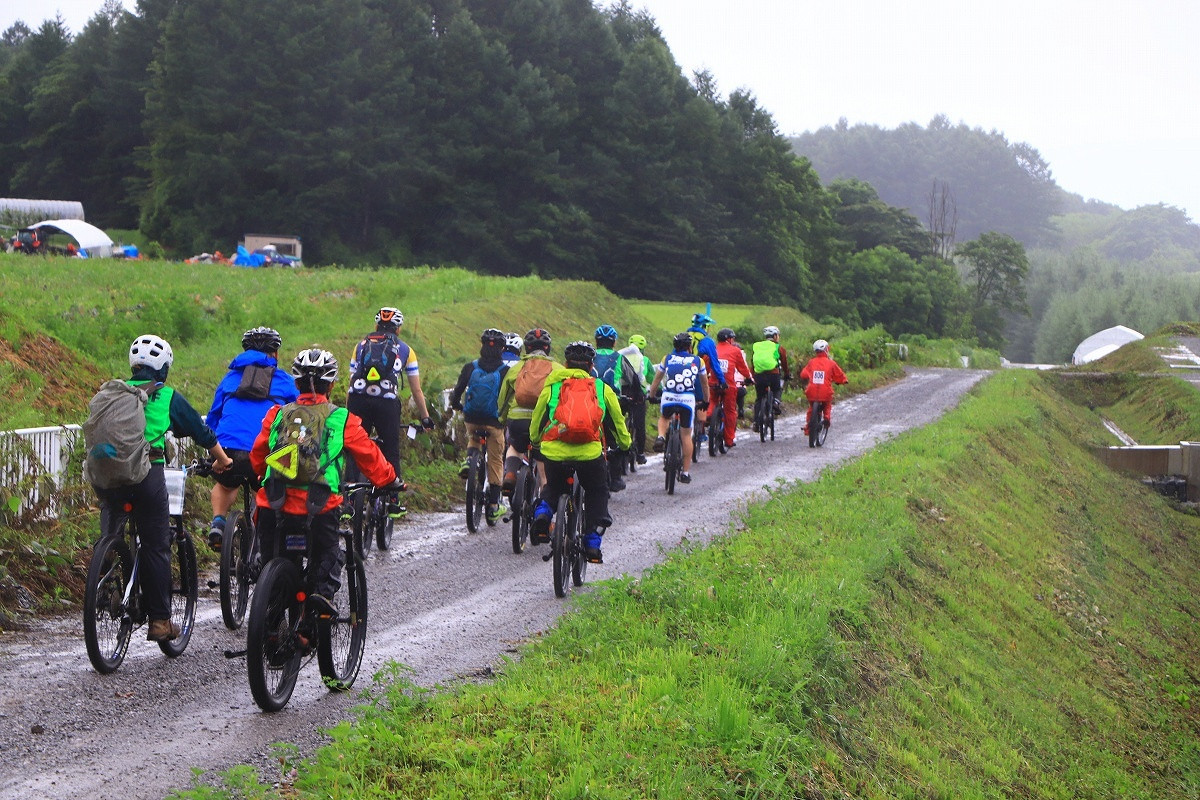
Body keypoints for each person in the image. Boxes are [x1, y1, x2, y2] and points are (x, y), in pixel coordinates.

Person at [95, 335, 233, 641]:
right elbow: (200, 432)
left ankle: (103, 575)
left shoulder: (114, 392)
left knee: (111, 530)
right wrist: (222, 460)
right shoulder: (166, 395)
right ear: (163, 368)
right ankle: (159, 621)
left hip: (109, 478)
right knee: (156, 544)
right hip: (147, 476)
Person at [251, 349, 401, 616]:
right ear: (331, 385)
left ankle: (270, 621)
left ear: (296, 383)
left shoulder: (276, 414)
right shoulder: (341, 418)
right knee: (327, 554)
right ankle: (320, 599)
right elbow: (369, 457)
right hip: (319, 505)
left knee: (271, 563)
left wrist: (262, 476)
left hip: (274, 502)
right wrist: (389, 480)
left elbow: (259, 455)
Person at [530, 341, 632, 563]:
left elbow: (538, 418)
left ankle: (543, 515)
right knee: (597, 490)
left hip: (555, 452)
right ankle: (592, 543)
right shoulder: (601, 388)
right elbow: (618, 422)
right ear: (591, 365)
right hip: (589, 454)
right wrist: (625, 445)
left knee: (553, 486)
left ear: (565, 364)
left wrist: (536, 441)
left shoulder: (553, 386)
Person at [205, 326, 299, 549]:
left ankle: (218, 522)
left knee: (225, 485)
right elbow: (300, 414)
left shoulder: (229, 380)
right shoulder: (284, 381)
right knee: (268, 490)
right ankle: (264, 535)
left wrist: (213, 451)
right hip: (264, 451)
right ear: (275, 353)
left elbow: (213, 419)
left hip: (227, 448)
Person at [346, 306, 434, 488]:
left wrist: (349, 414)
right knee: (390, 449)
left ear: (376, 325)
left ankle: (350, 499)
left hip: (358, 401)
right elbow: (416, 390)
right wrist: (425, 417)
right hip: (386, 404)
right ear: (398, 328)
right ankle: (393, 499)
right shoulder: (406, 350)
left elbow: (351, 384)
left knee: (354, 448)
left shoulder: (360, 346)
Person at [449, 328, 511, 522]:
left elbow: (458, 390)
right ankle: (493, 505)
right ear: (502, 349)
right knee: (495, 460)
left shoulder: (471, 366)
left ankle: (469, 460)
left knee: (473, 436)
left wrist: (456, 405)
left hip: (472, 418)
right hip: (494, 422)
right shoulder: (506, 371)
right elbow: (509, 397)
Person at [497, 328, 562, 498]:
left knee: (515, 447)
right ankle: (544, 501)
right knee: (542, 460)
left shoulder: (517, 368)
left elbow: (503, 399)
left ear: (527, 348)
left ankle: (510, 473)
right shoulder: (557, 369)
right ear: (548, 348)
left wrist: (502, 419)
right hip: (543, 423)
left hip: (517, 420)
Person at [648, 332, 710, 484]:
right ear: (690, 347)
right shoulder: (698, 361)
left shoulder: (667, 358)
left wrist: (651, 395)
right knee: (686, 435)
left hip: (668, 397)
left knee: (664, 417)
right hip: (687, 399)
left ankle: (661, 436)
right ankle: (686, 472)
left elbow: (657, 379)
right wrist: (706, 401)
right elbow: (704, 384)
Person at [591, 324, 644, 491]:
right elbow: (633, 380)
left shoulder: (589, 356)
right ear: (614, 342)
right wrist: (638, 397)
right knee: (616, 437)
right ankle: (615, 477)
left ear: (596, 342)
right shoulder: (619, 358)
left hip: (589, 400)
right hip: (611, 401)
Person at [685, 313, 726, 439]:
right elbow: (715, 362)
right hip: (697, 374)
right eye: (708, 326)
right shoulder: (707, 341)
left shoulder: (683, 337)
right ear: (704, 326)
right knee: (702, 400)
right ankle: (700, 432)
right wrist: (722, 380)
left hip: (678, 374)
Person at [799, 339, 848, 441]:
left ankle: (808, 427)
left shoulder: (811, 362)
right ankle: (826, 418)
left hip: (811, 391)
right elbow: (840, 375)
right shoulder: (831, 363)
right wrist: (843, 381)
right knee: (827, 405)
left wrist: (810, 376)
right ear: (826, 350)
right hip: (825, 392)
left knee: (811, 408)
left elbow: (803, 374)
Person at [714, 328, 753, 449]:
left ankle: (709, 419)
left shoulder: (713, 349)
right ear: (729, 339)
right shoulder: (735, 350)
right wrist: (749, 378)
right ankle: (729, 439)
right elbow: (742, 368)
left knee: (711, 403)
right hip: (729, 385)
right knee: (730, 411)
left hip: (713, 384)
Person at [617, 333, 653, 464]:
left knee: (618, 420)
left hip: (622, 392)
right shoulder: (645, 360)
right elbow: (652, 380)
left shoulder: (620, 356)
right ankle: (640, 454)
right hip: (638, 394)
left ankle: (616, 446)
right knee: (639, 425)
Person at [750, 325, 790, 431]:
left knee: (759, 398)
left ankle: (755, 422)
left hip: (759, 375)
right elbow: (784, 363)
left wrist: (751, 375)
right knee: (777, 388)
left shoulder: (757, 346)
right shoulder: (778, 347)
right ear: (775, 336)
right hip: (773, 374)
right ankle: (776, 403)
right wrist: (787, 374)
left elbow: (753, 362)